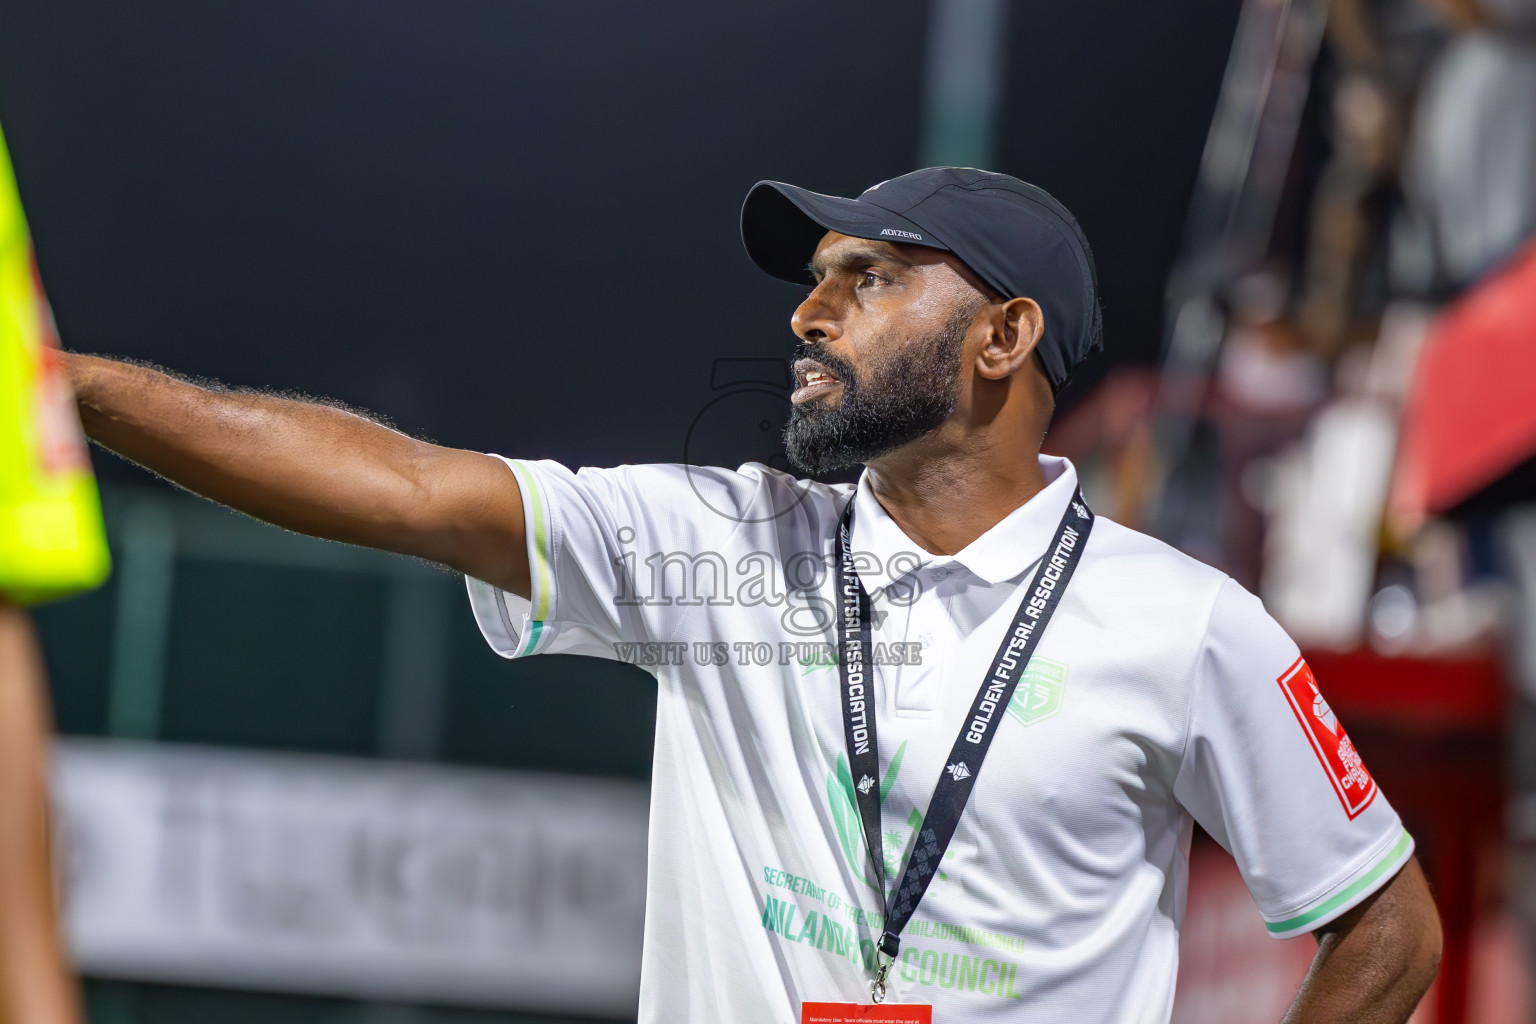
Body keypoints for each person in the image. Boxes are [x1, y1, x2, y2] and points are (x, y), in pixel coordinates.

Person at [62, 167, 1440, 1023]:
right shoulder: (722, 546)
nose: (807, 314)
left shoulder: (1184, 623)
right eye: (817, 282)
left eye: (873, 278)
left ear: (1005, 338)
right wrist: (57, 392)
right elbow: (411, 488)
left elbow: (1387, 923)